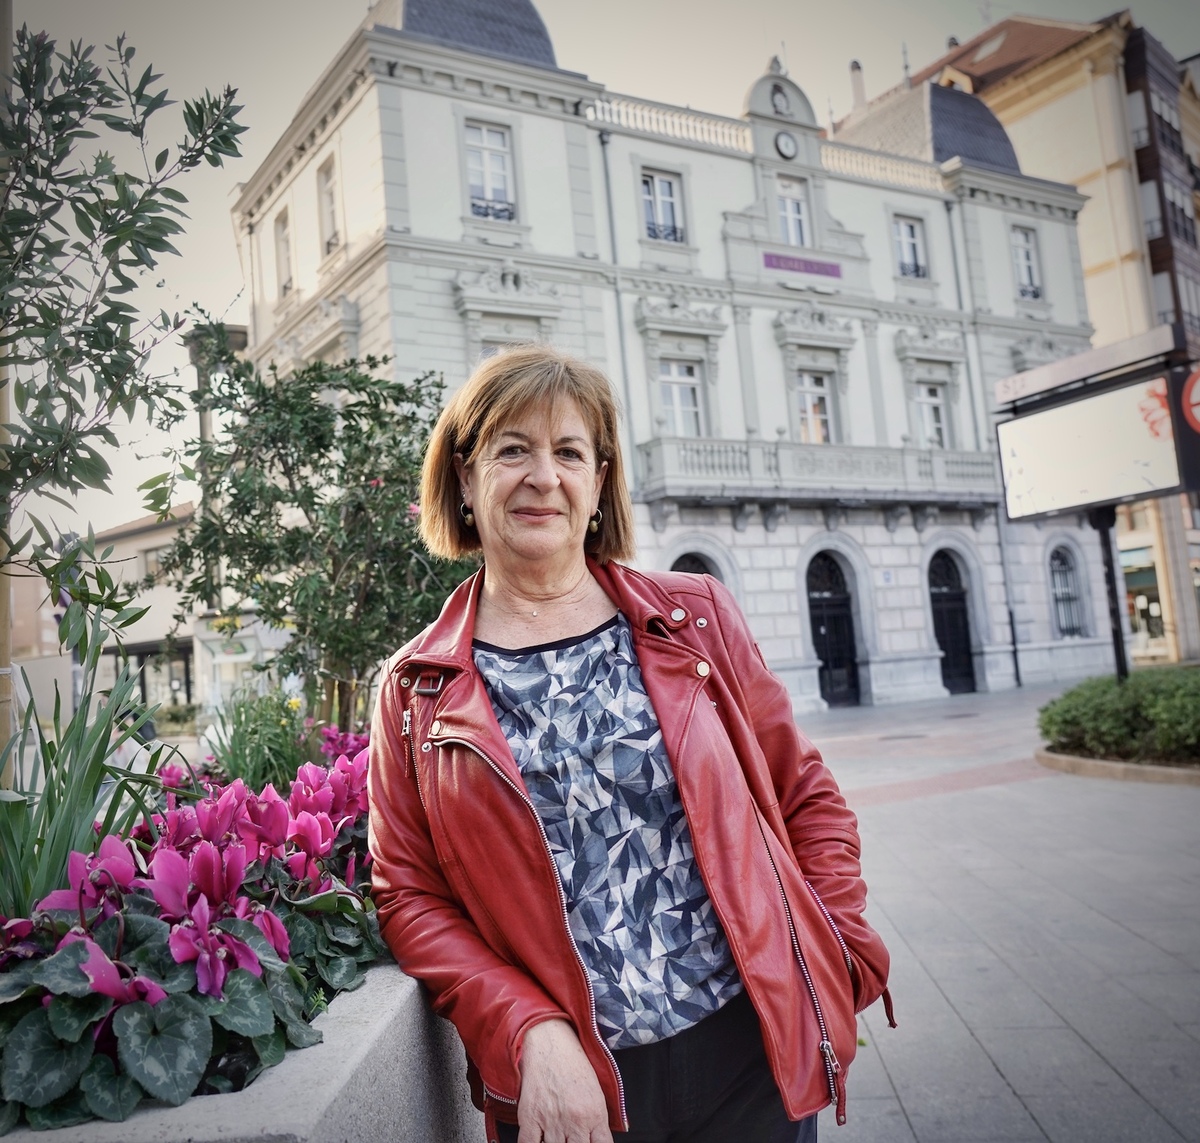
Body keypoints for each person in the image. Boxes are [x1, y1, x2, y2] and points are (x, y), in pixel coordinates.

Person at [369, 345, 893, 1143]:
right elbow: (409, 895)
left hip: (750, 1055)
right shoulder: (415, 687)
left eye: (569, 452)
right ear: (466, 480)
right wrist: (524, 1028)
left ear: (599, 482)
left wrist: (836, 943)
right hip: (572, 1091)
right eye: (513, 449)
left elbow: (805, 795)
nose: (543, 475)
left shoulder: (695, 618)